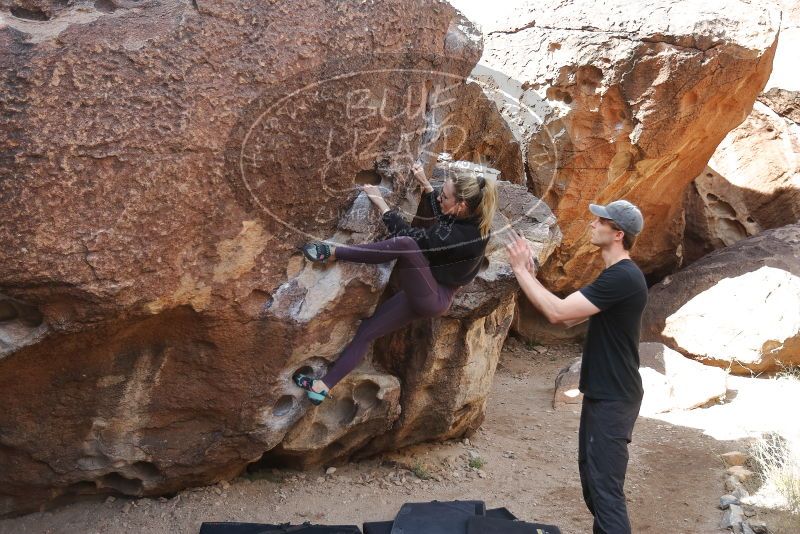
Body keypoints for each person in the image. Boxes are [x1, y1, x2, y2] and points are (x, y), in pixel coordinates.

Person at [294, 161, 497, 404]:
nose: (440, 198)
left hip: (433, 296)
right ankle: (322, 386)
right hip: (429, 290)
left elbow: (409, 238)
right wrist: (424, 184)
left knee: (406, 245)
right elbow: (444, 218)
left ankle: (333, 252)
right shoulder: (472, 219)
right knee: (366, 333)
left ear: (461, 205)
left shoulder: (461, 237)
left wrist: (380, 202)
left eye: (444, 196)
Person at [505, 200, 647, 534]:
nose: (592, 224)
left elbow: (558, 313)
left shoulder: (623, 277)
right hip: (605, 393)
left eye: (600, 221)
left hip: (614, 397)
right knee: (594, 487)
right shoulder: (616, 275)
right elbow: (572, 317)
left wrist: (522, 272)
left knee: (606, 493)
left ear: (618, 234)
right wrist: (532, 278)